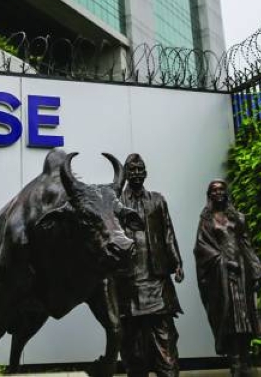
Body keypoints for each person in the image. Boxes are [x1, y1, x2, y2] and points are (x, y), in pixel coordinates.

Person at [115, 153, 184, 377]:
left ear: (145, 172)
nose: (136, 173)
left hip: (156, 279)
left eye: (140, 169)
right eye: (131, 169)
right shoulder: (117, 202)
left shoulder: (157, 200)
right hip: (128, 280)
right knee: (133, 346)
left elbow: (168, 233)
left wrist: (177, 263)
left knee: (165, 340)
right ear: (125, 174)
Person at [193, 179, 261, 377]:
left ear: (226, 192)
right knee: (229, 317)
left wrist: (256, 269)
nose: (218, 193)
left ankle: (246, 357)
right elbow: (201, 248)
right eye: (214, 190)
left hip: (242, 273)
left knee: (245, 316)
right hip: (221, 277)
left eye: (221, 189)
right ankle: (234, 360)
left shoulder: (238, 218)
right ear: (210, 194)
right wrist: (223, 261)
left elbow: (247, 245)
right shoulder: (206, 221)